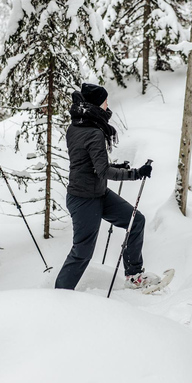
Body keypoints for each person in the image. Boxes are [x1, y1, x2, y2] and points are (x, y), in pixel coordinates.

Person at [55, 83, 156, 291]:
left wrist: (115, 166)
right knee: (82, 252)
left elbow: (87, 162)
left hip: (97, 193)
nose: (108, 105)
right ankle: (59, 296)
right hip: (84, 199)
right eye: (105, 101)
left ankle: (134, 276)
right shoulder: (93, 132)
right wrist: (135, 173)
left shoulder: (77, 125)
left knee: (136, 220)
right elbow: (102, 171)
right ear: (97, 104)